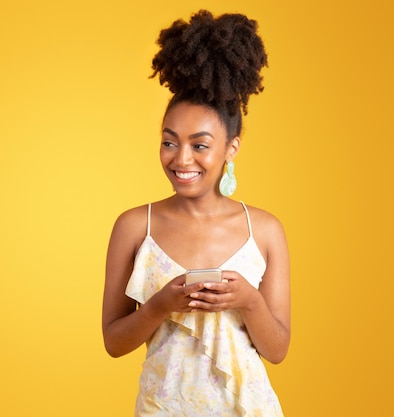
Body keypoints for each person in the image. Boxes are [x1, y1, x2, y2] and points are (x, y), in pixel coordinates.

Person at [101, 9, 290, 417]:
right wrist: (159, 305)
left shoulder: (266, 230)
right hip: (162, 408)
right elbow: (113, 342)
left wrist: (249, 301)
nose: (181, 158)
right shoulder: (135, 226)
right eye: (170, 142)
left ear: (231, 149)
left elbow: (277, 350)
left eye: (200, 145)